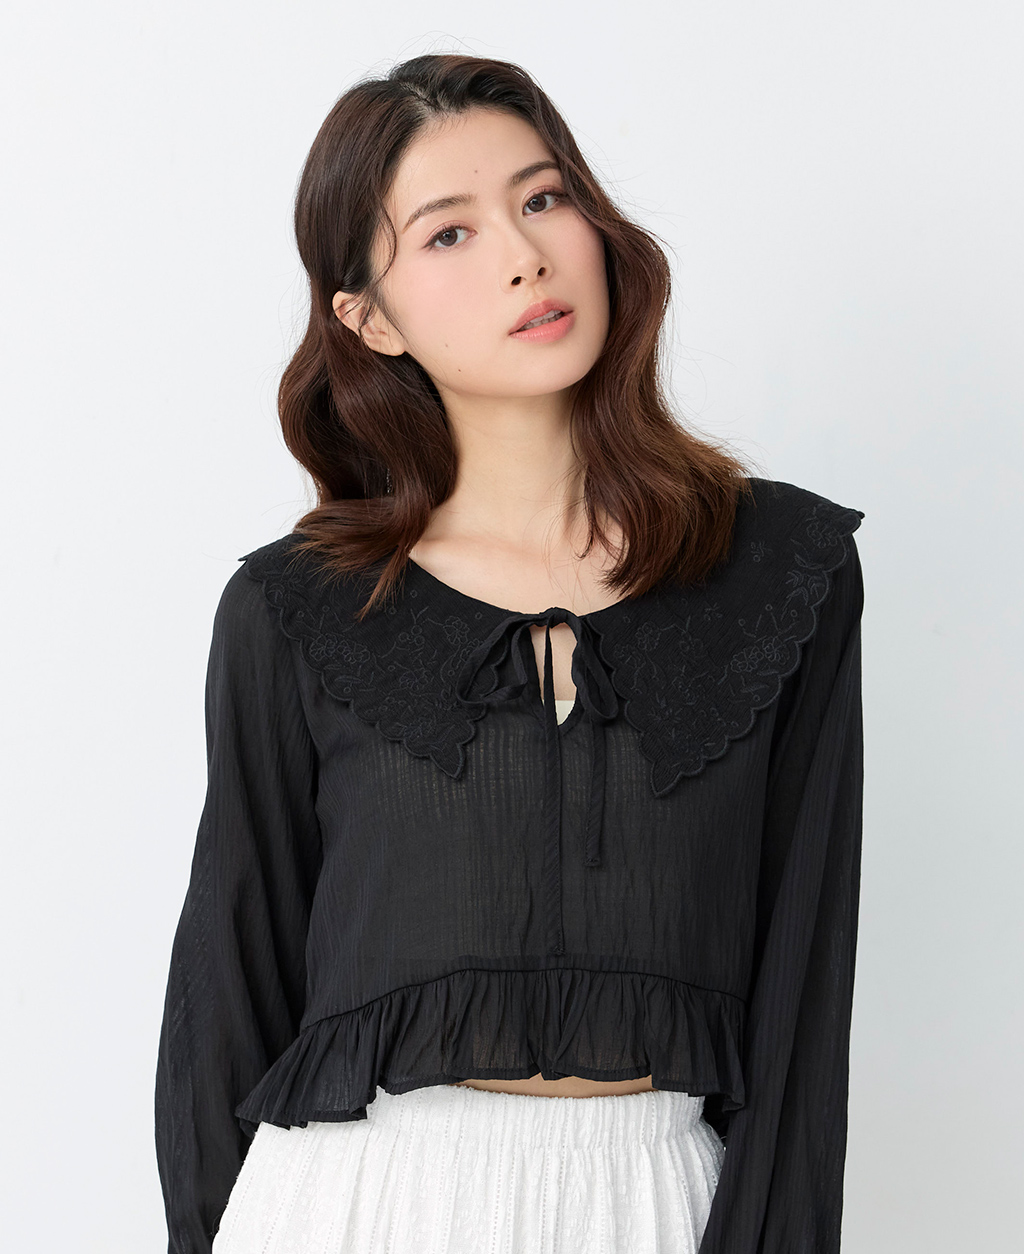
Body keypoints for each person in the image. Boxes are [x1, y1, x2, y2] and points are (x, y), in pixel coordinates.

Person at [154, 53, 866, 1254]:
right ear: (368, 320)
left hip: (652, 1204)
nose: (525, 255)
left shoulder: (781, 571)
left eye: (543, 199)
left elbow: (806, 986)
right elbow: (227, 988)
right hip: (355, 1205)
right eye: (449, 234)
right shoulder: (296, 610)